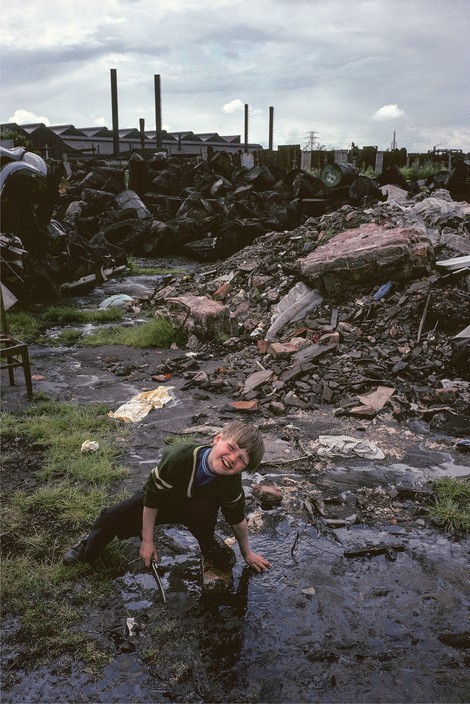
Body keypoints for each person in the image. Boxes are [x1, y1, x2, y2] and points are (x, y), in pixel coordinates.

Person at [64, 421, 271, 573]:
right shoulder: (179, 456)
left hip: (196, 513)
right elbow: (152, 498)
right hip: (162, 502)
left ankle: (208, 543)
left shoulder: (231, 484)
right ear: (217, 439)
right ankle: (86, 546)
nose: (231, 458)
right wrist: (148, 540)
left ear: (244, 468)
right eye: (231, 448)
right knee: (112, 517)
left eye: (241, 459)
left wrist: (247, 553)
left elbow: (237, 520)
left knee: (221, 555)